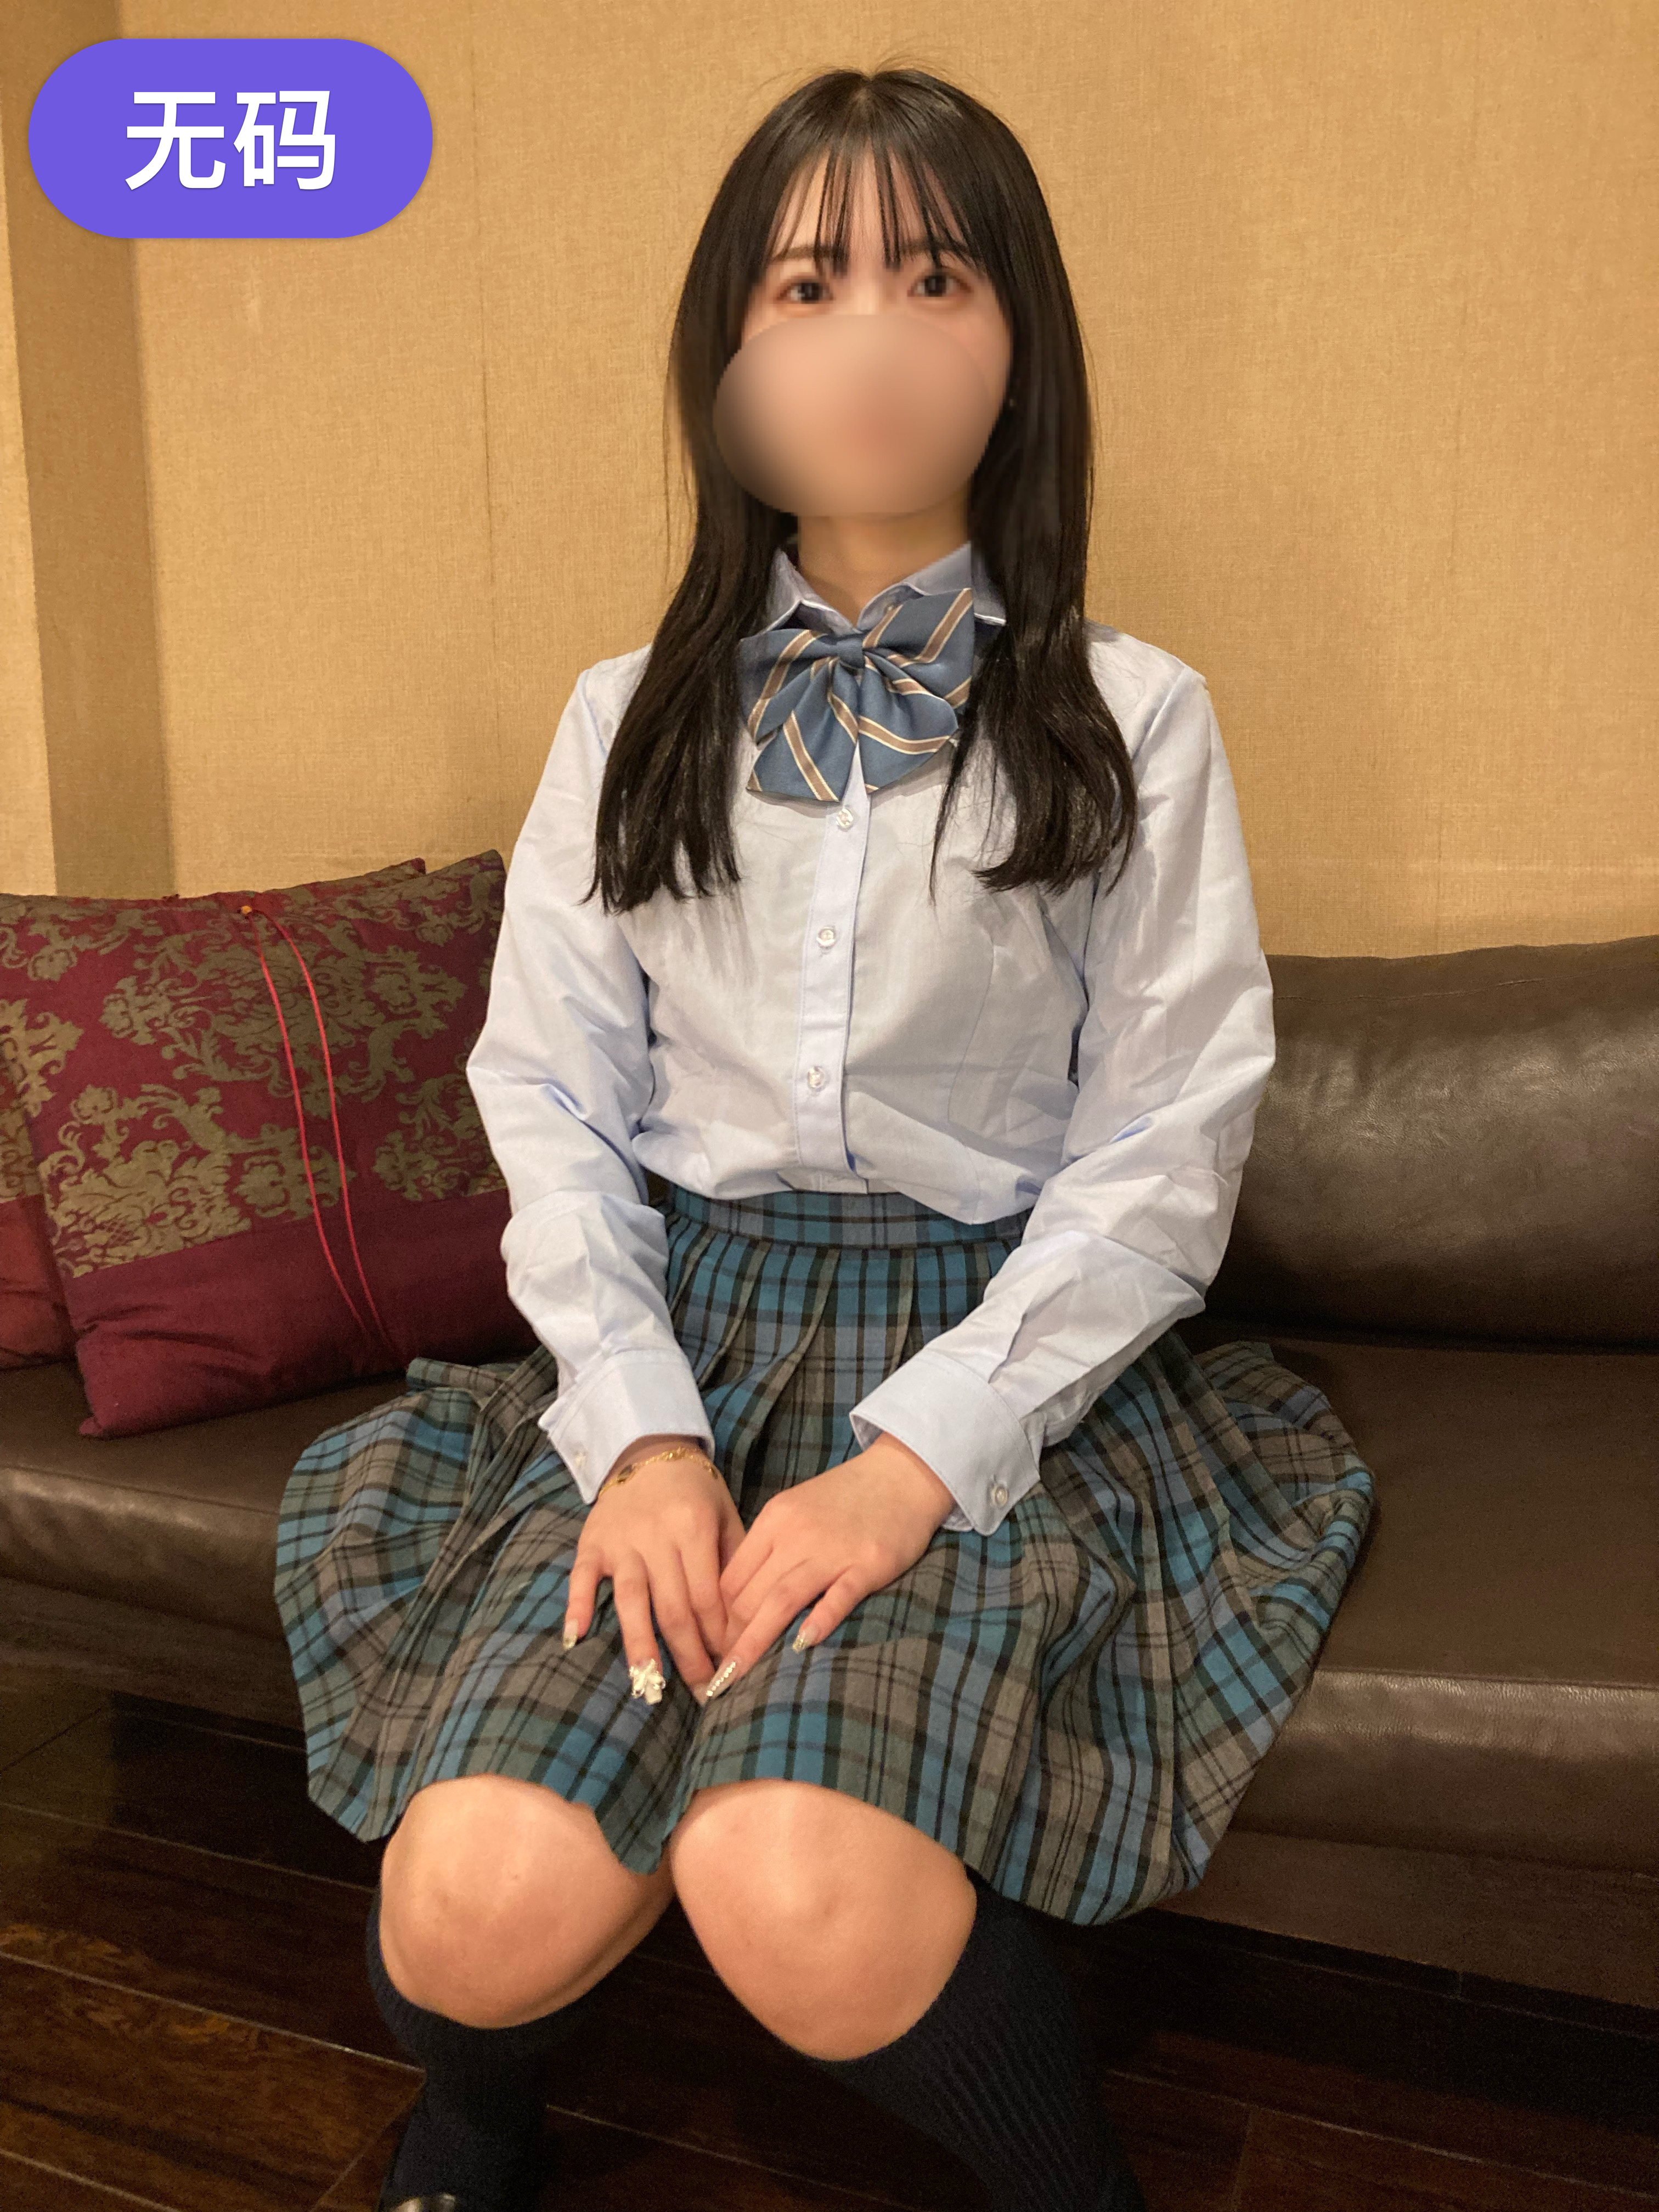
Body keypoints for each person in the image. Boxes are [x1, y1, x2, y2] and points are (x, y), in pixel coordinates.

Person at [275, 63, 1377, 2212]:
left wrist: (916, 1460)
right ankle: (472, 2122)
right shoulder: (623, 718)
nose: (869, 336)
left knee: (792, 1877)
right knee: (468, 1903)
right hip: (682, 1332)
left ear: (1017, 337)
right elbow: (551, 1101)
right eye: (807, 284)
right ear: (729, 354)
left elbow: (1163, 1148)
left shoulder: (1134, 715)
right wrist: (641, 1431)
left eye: (934, 277)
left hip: (990, 1349)